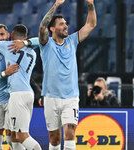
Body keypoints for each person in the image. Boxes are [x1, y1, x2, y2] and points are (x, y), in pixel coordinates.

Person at [38, 0, 97, 149]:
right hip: (51, 98)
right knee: (54, 139)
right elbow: (42, 26)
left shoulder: (72, 40)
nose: (66, 26)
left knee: (70, 135)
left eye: (65, 23)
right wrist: (56, 5)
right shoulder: (46, 44)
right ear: (52, 28)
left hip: (71, 98)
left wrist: (90, 5)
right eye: (61, 24)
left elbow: (91, 25)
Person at [0, 24, 41, 150]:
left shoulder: (8, 48)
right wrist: (5, 73)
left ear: (9, 35)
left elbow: (41, 41)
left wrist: (24, 42)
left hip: (12, 98)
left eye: (1, 34)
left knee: (15, 138)